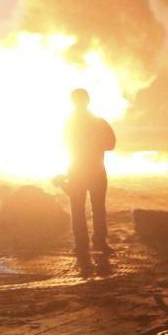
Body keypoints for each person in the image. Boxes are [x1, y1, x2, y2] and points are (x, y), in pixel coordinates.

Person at [63, 88, 116, 276]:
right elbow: (111, 144)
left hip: (77, 169)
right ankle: (100, 242)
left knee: (78, 209)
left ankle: (81, 245)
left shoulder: (68, 123)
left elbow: (63, 144)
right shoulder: (98, 122)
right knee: (98, 208)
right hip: (95, 169)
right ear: (88, 100)